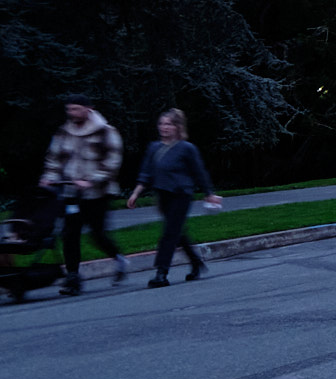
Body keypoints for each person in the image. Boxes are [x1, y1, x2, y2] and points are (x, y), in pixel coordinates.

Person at [40, 96, 126, 295]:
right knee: (70, 234)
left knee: (97, 234)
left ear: (89, 109)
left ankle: (119, 258)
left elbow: (112, 162)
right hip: (71, 191)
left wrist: (92, 180)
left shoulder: (105, 131)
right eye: (69, 109)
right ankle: (73, 278)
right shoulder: (64, 132)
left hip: (97, 193)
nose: (72, 113)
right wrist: (49, 178)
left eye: (76, 109)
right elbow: (54, 158)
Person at [127, 108, 221, 287]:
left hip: (181, 194)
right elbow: (146, 173)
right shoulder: (154, 147)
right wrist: (136, 193)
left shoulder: (186, 148)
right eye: (161, 124)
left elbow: (199, 172)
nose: (164, 127)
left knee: (169, 233)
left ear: (177, 127)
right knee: (176, 232)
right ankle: (196, 262)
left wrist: (208, 193)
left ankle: (161, 273)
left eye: (168, 124)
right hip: (163, 195)